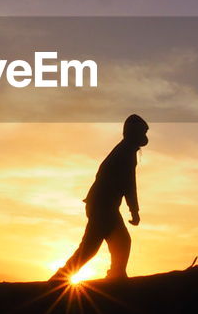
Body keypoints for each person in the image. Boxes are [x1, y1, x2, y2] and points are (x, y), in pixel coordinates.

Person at [51, 114, 148, 283]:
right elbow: (129, 185)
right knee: (90, 248)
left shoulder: (126, 150)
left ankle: (116, 275)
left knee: (120, 242)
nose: (145, 137)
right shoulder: (125, 152)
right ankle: (60, 278)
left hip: (104, 205)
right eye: (142, 132)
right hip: (103, 206)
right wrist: (134, 210)